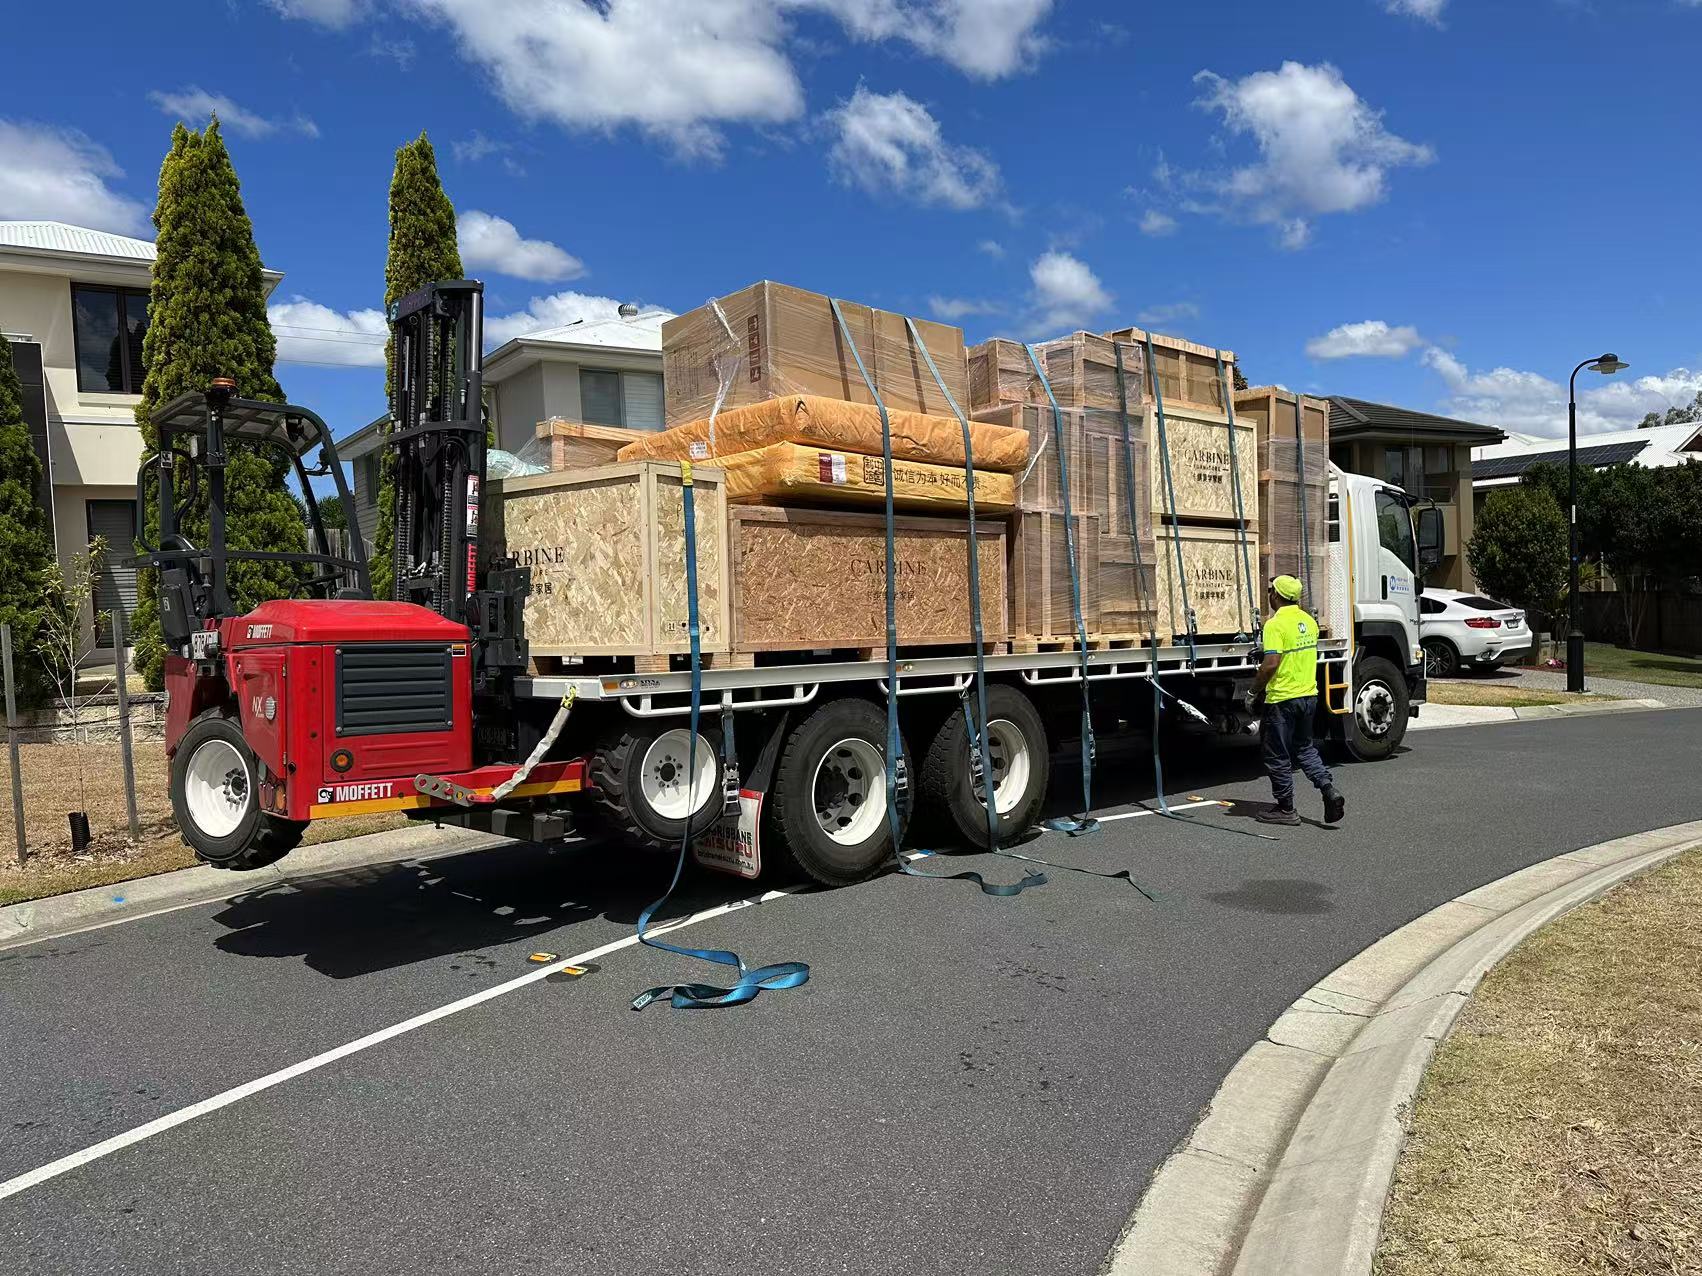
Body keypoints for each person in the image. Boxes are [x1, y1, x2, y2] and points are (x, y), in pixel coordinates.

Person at [1247, 575, 1345, 826]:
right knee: (1305, 747)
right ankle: (1327, 788)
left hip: (1282, 699)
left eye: (1270, 590)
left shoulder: (1275, 624)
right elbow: (1292, 650)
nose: (1268, 594)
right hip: (1308, 696)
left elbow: (1272, 664)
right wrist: (1265, 650)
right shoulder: (1308, 621)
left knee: (1277, 754)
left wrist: (1253, 691)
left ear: (1277, 595)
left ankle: (1285, 808)